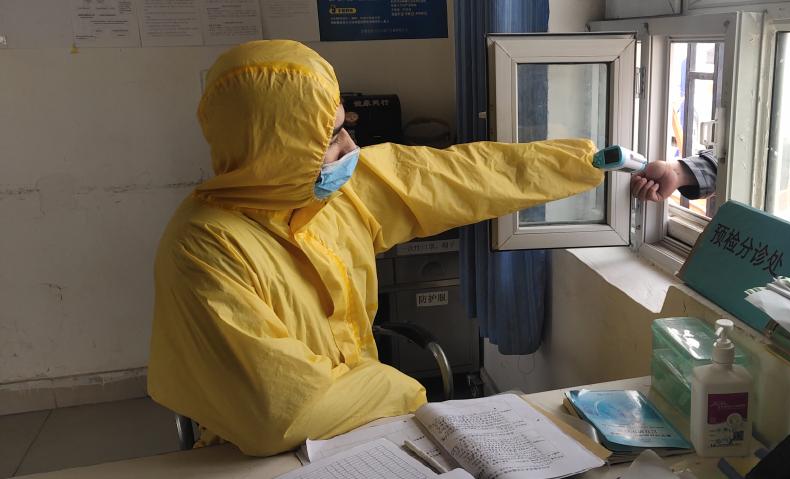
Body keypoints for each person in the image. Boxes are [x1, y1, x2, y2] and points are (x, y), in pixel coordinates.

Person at [147, 39, 698, 457]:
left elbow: (467, 174)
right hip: (262, 457)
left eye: (343, 126)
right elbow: (278, 411)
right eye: (331, 136)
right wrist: (406, 395)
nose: (350, 146)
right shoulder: (204, 247)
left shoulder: (326, 196)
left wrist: (589, 163)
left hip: (364, 434)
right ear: (275, 150)